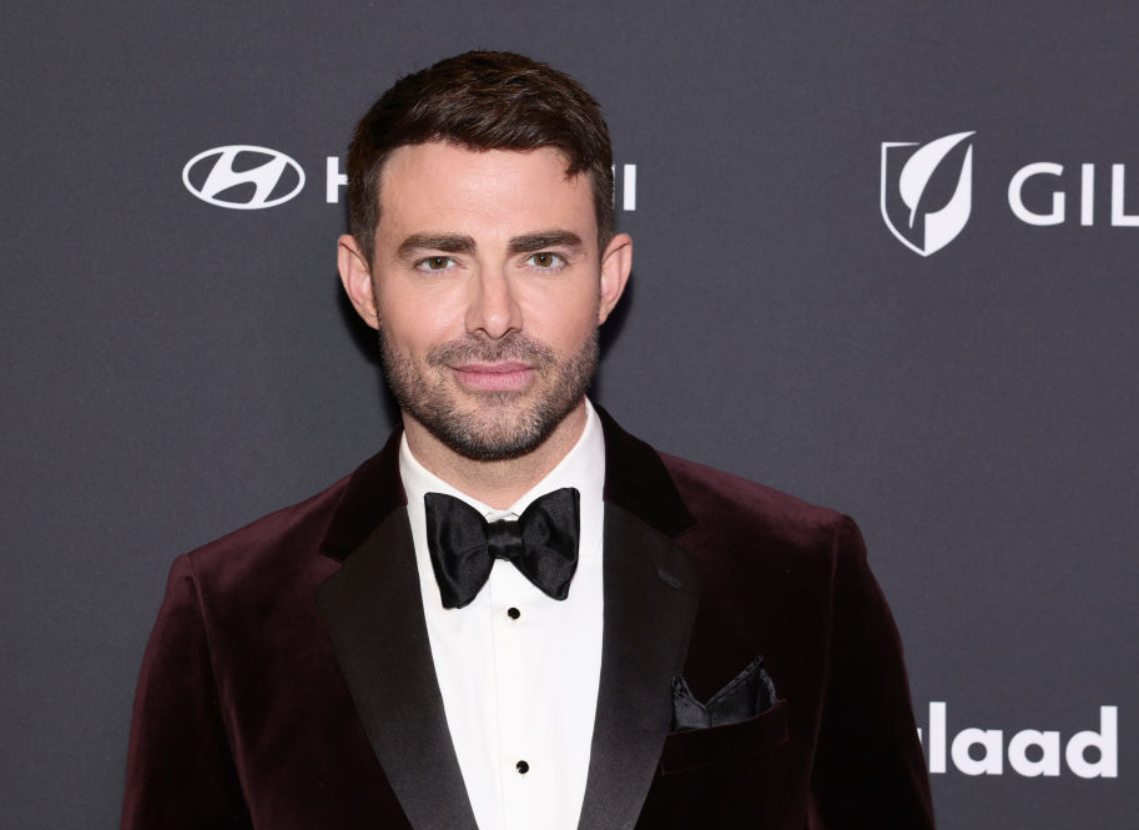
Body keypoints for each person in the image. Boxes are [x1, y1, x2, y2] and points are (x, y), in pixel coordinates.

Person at [120, 51, 934, 830]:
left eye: (541, 258)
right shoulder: (226, 614)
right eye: (440, 262)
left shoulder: (800, 573)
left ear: (607, 278)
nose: (495, 316)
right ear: (364, 283)